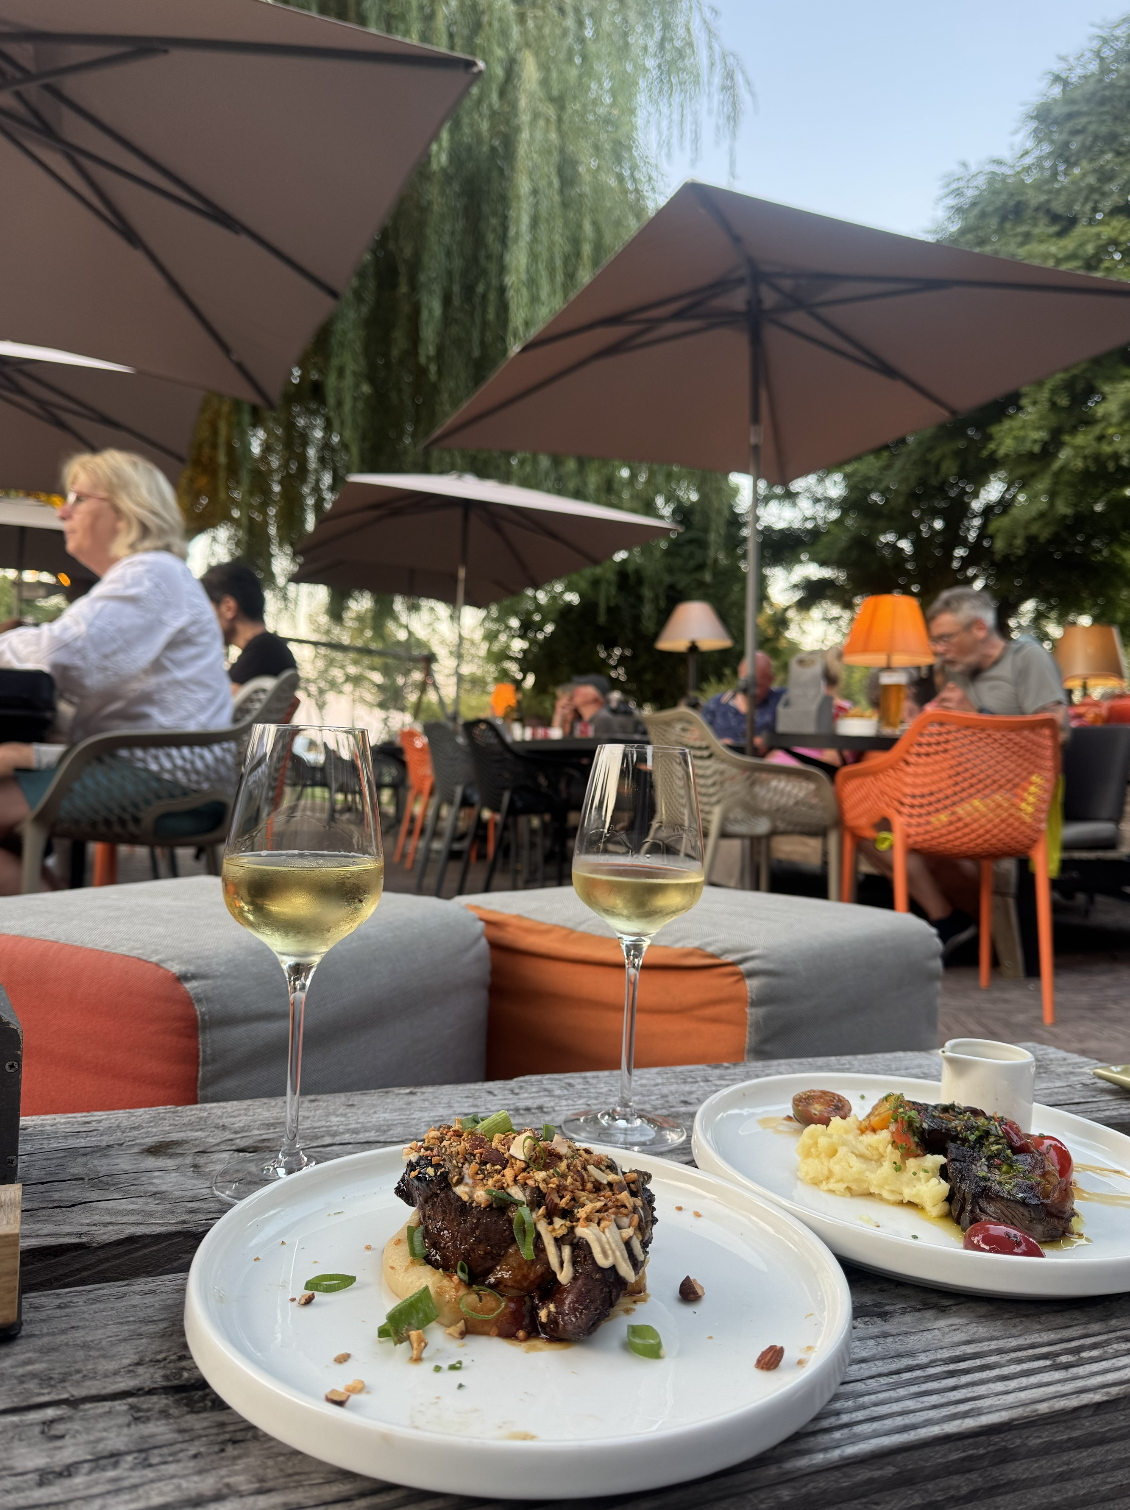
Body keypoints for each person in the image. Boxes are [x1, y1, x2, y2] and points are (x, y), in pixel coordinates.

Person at [0, 450, 232, 894]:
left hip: (166, 779)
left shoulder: (151, 574)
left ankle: (52, 939)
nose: (62, 510)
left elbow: (68, 660)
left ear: (127, 511)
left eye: (77, 497)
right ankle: (52, 929)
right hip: (154, 767)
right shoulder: (150, 577)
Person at [861, 587, 1068, 956]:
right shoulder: (957, 673)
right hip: (966, 791)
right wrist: (923, 722)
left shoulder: (1027, 658)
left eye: (945, 639)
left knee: (908, 830)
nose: (939, 649)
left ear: (978, 628)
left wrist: (977, 715)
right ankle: (951, 920)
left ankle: (990, 932)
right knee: (870, 823)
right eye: (935, 641)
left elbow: (1059, 732)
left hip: (1021, 796)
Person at [200, 560, 297, 691]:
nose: (200, 620)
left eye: (204, 610)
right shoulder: (269, 649)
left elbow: (215, 708)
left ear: (228, 607)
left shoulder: (264, 649)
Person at [700, 652, 784, 750]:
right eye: (746, 683)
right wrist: (718, 745)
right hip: (718, 761)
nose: (753, 691)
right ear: (740, 674)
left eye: (759, 685)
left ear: (770, 679)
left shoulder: (780, 700)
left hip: (764, 763)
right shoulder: (717, 704)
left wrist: (768, 743)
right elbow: (695, 736)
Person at [551, 674, 647, 737]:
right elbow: (559, 746)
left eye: (581, 687)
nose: (574, 691)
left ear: (595, 695)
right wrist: (559, 715)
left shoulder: (603, 719)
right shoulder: (582, 721)